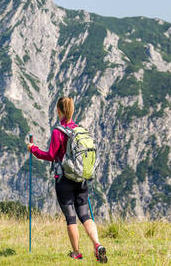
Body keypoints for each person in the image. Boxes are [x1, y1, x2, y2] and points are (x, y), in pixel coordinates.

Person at [26, 97, 107, 263]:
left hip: (64, 180)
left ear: (58, 111)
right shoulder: (79, 129)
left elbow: (50, 155)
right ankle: (97, 244)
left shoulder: (58, 132)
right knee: (84, 214)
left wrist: (33, 149)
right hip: (81, 178)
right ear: (73, 110)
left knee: (71, 217)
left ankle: (76, 252)